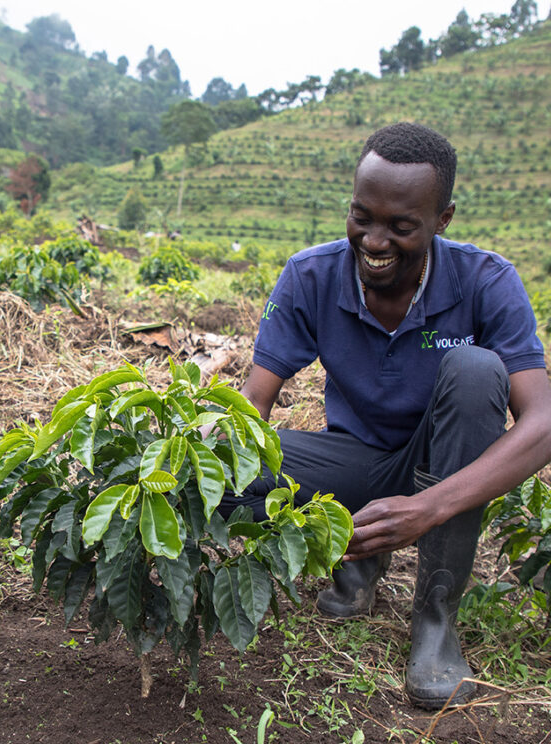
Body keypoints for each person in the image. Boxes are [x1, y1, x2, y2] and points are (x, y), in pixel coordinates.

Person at [222, 122, 551, 709]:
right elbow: (254, 403)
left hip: (445, 470)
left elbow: (544, 421)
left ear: (442, 220)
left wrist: (427, 508)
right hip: (355, 461)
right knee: (220, 472)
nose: (374, 241)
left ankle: (435, 619)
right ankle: (363, 548)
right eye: (361, 217)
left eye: (401, 227)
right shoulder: (310, 274)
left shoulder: (486, 280)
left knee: (476, 371)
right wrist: (211, 444)